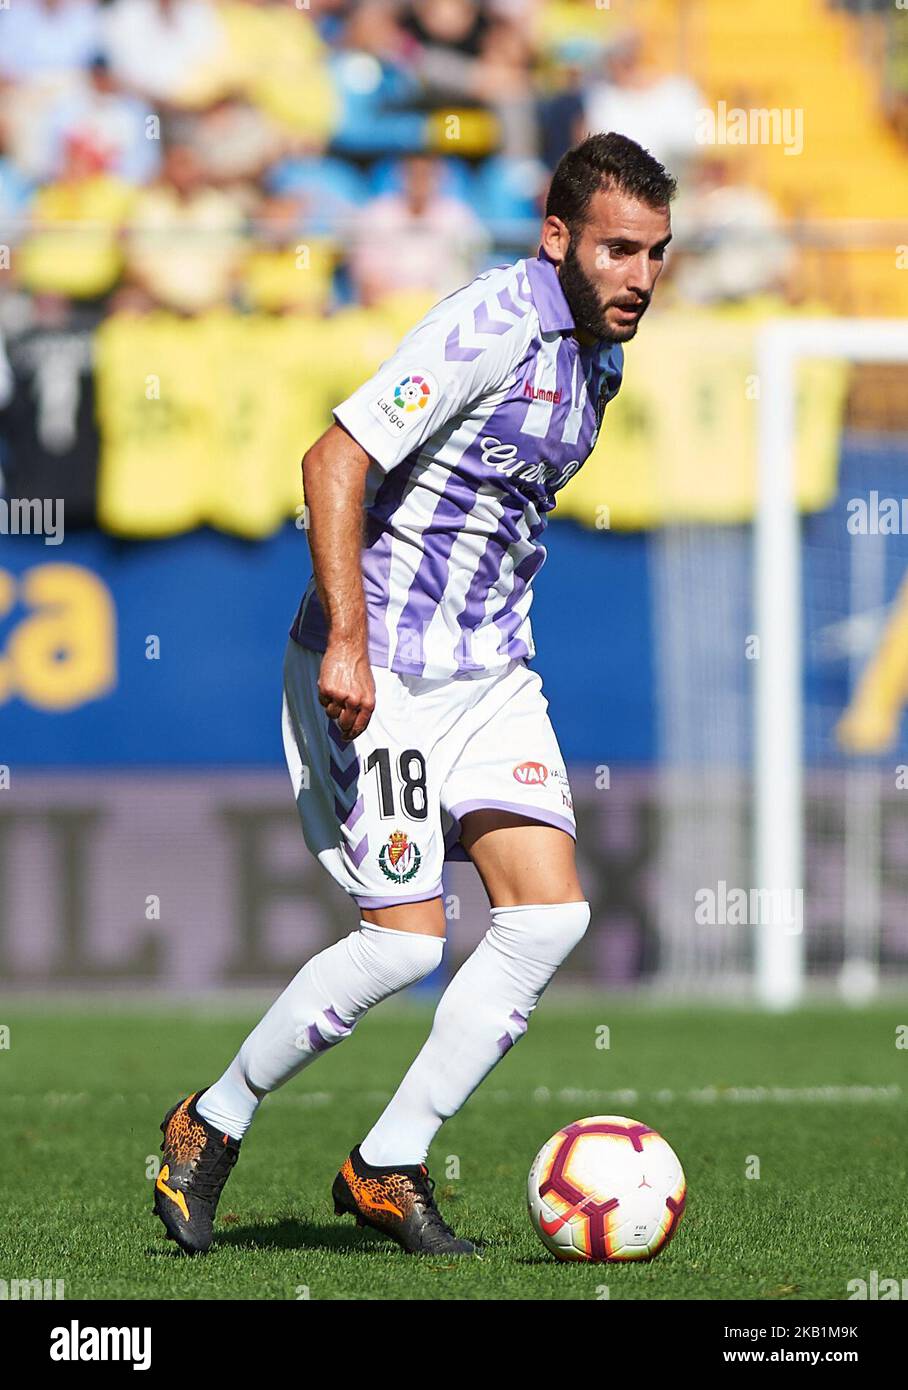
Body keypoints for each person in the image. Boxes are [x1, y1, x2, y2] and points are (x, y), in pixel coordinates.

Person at [152, 131, 676, 1258]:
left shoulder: (601, 356)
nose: (638, 276)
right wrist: (347, 640)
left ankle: (384, 1163)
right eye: (617, 250)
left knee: (547, 917)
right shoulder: (488, 324)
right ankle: (210, 1121)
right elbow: (332, 459)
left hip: (489, 671)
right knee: (402, 944)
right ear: (556, 239)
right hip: (378, 667)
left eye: (655, 254)